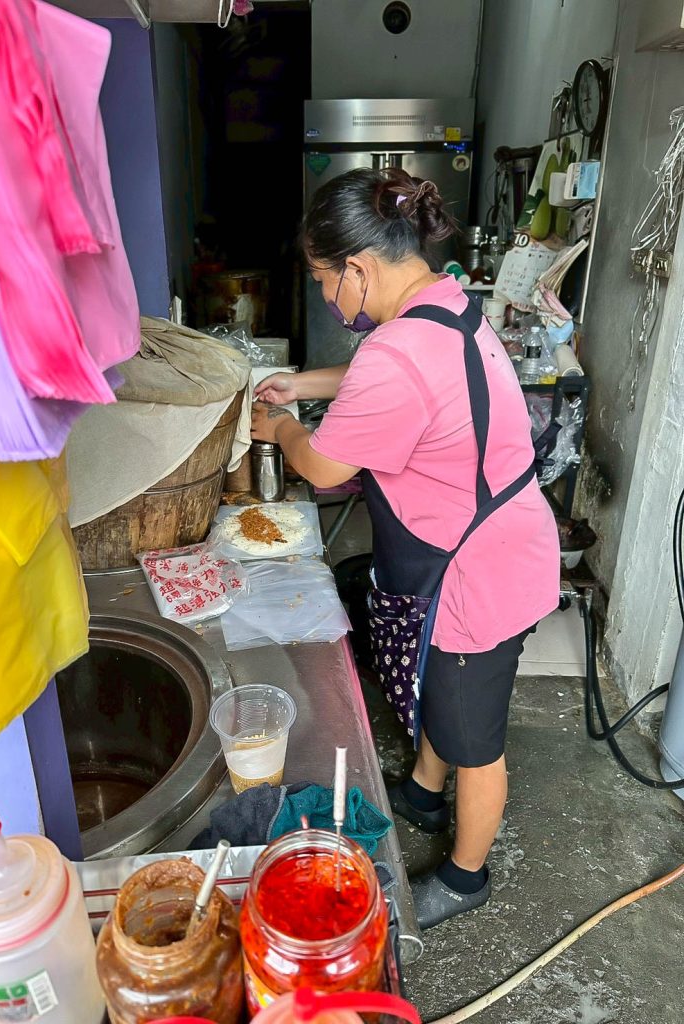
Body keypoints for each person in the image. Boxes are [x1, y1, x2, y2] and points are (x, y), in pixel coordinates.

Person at [251, 167, 561, 930]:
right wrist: (301, 385)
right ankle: (422, 796)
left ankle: (465, 877)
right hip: (499, 541)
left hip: (476, 573)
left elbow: (325, 466)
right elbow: (377, 375)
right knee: (439, 692)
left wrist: (283, 429)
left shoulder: (398, 352)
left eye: (325, 281)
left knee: (473, 738)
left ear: (358, 268)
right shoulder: (445, 302)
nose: (327, 296)